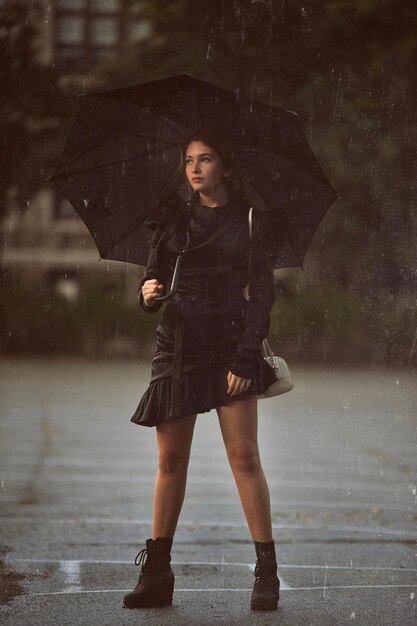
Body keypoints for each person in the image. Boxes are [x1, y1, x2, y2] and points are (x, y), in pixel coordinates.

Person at [123, 133, 280, 611]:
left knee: (244, 458)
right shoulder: (172, 218)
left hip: (231, 346)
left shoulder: (252, 220)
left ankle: (267, 574)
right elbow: (152, 280)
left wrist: (244, 357)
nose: (194, 169)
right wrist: (147, 294)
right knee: (170, 463)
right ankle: (157, 574)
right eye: (189, 161)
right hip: (178, 347)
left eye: (205, 159)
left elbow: (263, 296)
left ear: (225, 167)